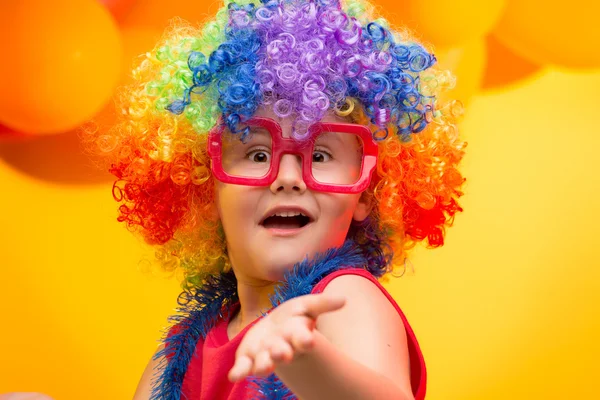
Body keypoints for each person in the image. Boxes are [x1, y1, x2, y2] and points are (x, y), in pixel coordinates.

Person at [87, 0, 466, 398]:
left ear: (366, 191)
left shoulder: (340, 300)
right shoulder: (181, 352)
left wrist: (306, 361)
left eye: (320, 156)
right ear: (205, 185)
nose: (287, 178)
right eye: (257, 155)